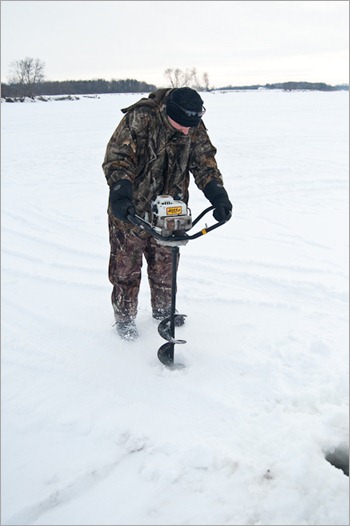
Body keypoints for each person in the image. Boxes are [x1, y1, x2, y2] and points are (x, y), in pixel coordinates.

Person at [102, 87, 232, 340]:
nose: (186, 131)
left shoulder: (192, 124)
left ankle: (163, 312)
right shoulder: (141, 118)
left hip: (170, 210)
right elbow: (118, 159)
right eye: (182, 125)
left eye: (190, 126)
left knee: (165, 266)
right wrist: (120, 193)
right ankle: (125, 319)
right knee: (125, 270)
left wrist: (217, 194)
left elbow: (204, 161)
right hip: (131, 209)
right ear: (169, 112)